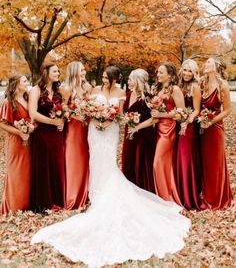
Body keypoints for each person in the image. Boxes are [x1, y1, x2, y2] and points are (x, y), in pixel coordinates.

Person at [31, 65, 190, 268]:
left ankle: (107, 193)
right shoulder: (94, 90)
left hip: (111, 129)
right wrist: (96, 119)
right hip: (95, 132)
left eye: (107, 78)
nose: (104, 80)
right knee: (95, 160)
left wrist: (108, 121)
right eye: (103, 77)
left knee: (109, 161)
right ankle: (95, 194)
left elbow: (120, 113)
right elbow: (87, 109)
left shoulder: (122, 92)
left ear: (115, 79)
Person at [130, 62, 184, 203]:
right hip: (157, 130)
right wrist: (137, 127)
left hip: (169, 131)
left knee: (157, 163)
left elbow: (181, 114)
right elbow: (154, 118)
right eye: (158, 72)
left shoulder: (176, 90)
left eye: (161, 72)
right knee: (162, 164)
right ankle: (161, 195)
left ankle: (166, 198)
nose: (157, 75)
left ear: (170, 75)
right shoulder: (158, 91)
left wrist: (162, 115)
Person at [29, 62, 65, 213]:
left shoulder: (58, 91)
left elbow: (62, 110)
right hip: (42, 134)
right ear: (46, 73)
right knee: (43, 166)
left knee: (55, 165)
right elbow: (33, 114)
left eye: (58, 71)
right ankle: (44, 203)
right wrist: (53, 121)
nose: (58, 74)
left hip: (56, 134)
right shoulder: (36, 90)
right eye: (55, 71)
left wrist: (61, 121)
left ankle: (56, 200)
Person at [200, 57, 232, 210]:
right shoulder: (201, 83)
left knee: (215, 162)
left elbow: (227, 110)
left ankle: (217, 198)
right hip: (201, 129)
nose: (206, 64)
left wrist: (211, 121)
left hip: (215, 129)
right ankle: (205, 195)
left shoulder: (222, 85)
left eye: (209, 63)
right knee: (204, 162)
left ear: (217, 66)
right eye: (205, 63)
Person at [175, 59, 206, 210]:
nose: (187, 73)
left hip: (188, 127)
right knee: (176, 157)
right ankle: (176, 193)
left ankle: (188, 195)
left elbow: (196, 109)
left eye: (190, 71)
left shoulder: (195, 87)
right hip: (175, 124)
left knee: (185, 158)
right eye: (185, 70)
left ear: (194, 73)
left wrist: (187, 121)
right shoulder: (177, 85)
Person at [61, 61, 91, 210]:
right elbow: (62, 107)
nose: (84, 72)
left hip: (86, 128)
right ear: (74, 71)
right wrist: (73, 115)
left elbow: (91, 106)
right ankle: (72, 197)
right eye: (82, 70)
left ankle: (85, 194)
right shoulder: (66, 89)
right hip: (73, 129)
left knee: (86, 159)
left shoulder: (87, 88)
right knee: (73, 160)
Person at [0, 75, 31, 214]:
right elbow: (2, 124)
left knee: (27, 172)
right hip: (15, 142)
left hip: (29, 141)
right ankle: (14, 205)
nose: (27, 83)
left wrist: (30, 129)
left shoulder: (28, 99)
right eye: (24, 81)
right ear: (17, 84)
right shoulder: (8, 102)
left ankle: (26, 202)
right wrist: (19, 132)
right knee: (16, 172)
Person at [122, 68, 156, 192]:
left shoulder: (148, 97)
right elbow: (124, 113)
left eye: (131, 79)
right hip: (129, 134)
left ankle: (142, 191)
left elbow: (154, 119)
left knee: (140, 163)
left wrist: (137, 127)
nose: (129, 81)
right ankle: (128, 191)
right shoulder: (128, 94)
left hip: (144, 136)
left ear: (137, 80)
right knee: (128, 160)